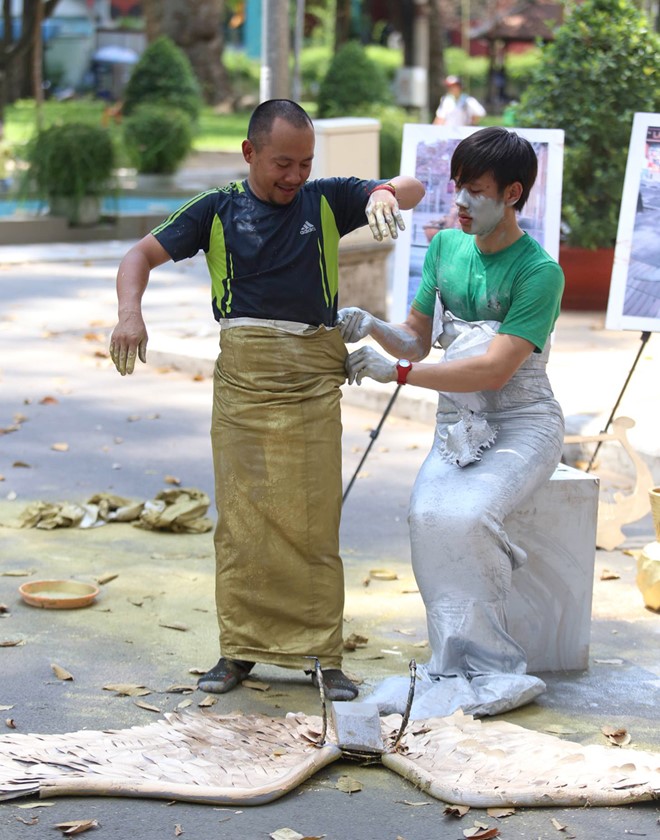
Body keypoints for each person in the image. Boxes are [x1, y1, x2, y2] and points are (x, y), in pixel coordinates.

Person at [108, 99, 425, 702]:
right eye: (283, 163)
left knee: (314, 521)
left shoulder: (327, 199)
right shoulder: (217, 209)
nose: (295, 176)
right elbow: (138, 256)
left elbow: (414, 186)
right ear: (250, 152)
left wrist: (384, 190)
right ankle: (239, 650)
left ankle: (322, 654)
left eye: (305, 163)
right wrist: (130, 314)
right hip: (243, 387)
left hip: (311, 383)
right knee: (243, 521)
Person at [336, 126, 565, 718]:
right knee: (425, 513)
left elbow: (493, 370)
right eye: (457, 187)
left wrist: (398, 376)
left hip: (524, 423)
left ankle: (493, 666)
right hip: (458, 425)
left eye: (477, 192)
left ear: (513, 193)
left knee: (466, 515)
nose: (459, 202)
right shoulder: (444, 247)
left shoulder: (540, 272)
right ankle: (450, 660)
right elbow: (415, 341)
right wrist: (373, 327)